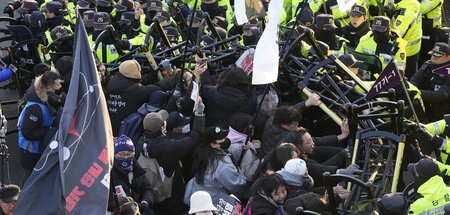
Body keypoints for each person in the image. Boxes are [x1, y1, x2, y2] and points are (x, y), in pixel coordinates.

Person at [136, 101, 205, 214]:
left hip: (151, 192)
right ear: (162, 128)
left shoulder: (138, 145)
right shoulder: (171, 147)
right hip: (172, 194)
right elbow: (195, 137)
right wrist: (199, 114)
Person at [18, 71, 61, 185]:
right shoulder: (36, 108)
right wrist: (49, 131)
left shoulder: (43, 99)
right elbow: (26, 132)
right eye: (57, 85)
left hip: (37, 149)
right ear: (48, 87)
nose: (60, 87)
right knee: (30, 180)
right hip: (31, 152)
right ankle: (23, 201)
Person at [191, 126, 247, 203]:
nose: (226, 139)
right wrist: (242, 176)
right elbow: (235, 186)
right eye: (222, 138)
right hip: (214, 201)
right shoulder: (223, 166)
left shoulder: (202, 152)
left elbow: (226, 151)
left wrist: (240, 148)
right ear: (213, 145)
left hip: (200, 192)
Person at [105, 60, 159, 136]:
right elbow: (150, 90)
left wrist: (150, 76)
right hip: (126, 131)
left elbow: (134, 83)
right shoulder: (134, 90)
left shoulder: (112, 83)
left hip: (111, 128)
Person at [108, 135, 154, 214]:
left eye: (129, 154)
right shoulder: (110, 173)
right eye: (121, 154)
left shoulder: (137, 170)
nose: (125, 157)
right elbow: (106, 201)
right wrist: (122, 204)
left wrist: (145, 202)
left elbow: (147, 188)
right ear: (115, 154)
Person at [410, 42, 450, 123]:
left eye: (438, 56)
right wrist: (412, 91)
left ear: (448, 58)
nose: (433, 58)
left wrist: (417, 93)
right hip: (424, 109)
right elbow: (414, 80)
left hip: (441, 116)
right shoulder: (428, 64)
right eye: (433, 55)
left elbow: (441, 95)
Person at [390, 0, 422, 79]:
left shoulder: (406, 12)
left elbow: (395, 35)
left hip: (406, 52)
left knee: (404, 80)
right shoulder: (412, 3)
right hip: (413, 48)